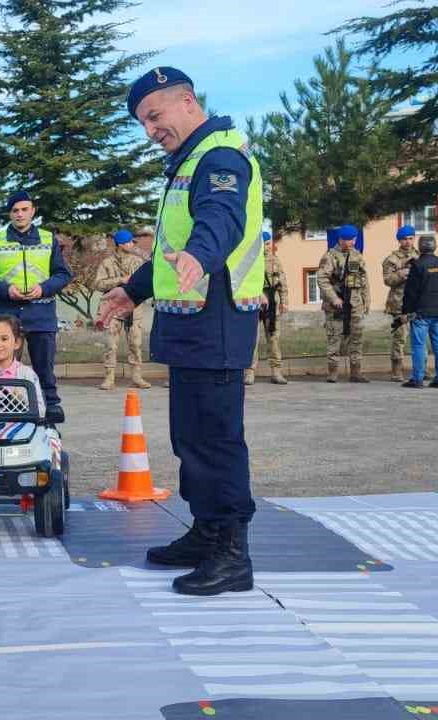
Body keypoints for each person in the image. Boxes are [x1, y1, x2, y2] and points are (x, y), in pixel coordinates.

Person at [98, 68, 264, 596]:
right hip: (191, 323)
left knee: (215, 441)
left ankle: (232, 554)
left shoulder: (219, 157)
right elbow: (171, 245)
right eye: (142, 123)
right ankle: (207, 532)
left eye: (154, 116)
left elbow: (222, 218)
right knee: (190, 438)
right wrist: (133, 288)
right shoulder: (186, 163)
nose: (149, 130)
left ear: (186, 101)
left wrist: (201, 254)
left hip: (216, 319)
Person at [0, 190, 73, 408]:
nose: (20, 214)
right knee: (2, 372)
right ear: (9, 214)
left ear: (33, 211)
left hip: (41, 317)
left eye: (24, 209)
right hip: (5, 317)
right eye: (15, 210)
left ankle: (49, 421)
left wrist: (44, 288)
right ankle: (3, 416)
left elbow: (64, 274)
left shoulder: (49, 240)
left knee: (45, 374)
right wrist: (6, 290)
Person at [92, 229, 152, 390]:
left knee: (135, 343)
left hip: (135, 308)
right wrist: (120, 280)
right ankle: (109, 378)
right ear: (120, 244)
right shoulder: (107, 263)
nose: (132, 244)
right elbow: (98, 284)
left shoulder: (138, 261)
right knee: (110, 344)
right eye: (129, 241)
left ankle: (137, 376)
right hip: (113, 307)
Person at [401, 235, 438, 389]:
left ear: (420, 248)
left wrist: (406, 311)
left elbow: (411, 292)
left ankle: (417, 379)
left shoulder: (418, 265)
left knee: (419, 345)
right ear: (435, 247)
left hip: (421, 312)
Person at [317, 224, 370, 383]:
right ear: (340, 239)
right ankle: (333, 372)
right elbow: (322, 279)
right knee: (335, 337)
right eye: (347, 240)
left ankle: (356, 372)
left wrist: (366, 301)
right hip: (337, 305)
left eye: (353, 239)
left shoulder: (357, 255)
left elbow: (364, 280)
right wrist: (333, 298)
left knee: (357, 337)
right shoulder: (330, 256)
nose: (351, 243)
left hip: (355, 304)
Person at [249, 231, 289, 385]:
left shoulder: (275, 261)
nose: (268, 247)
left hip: (273, 303)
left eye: (268, 244)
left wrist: (284, 302)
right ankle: (250, 371)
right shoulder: (251, 261)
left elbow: (282, 283)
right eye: (265, 244)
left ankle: (276, 371)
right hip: (254, 303)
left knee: (273, 338)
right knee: (252, 339)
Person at [382, 225, 421, 382]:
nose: (408, 241)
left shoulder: (420, 256)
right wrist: (401, 274)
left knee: (420, 337)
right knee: (400, 338)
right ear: (399, 240)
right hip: (399, 303)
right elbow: (388, 280)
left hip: (418, 303)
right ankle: (397, 370)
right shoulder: (392, 259)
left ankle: (421, 368)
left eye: (411, 238)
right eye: (404, 239)